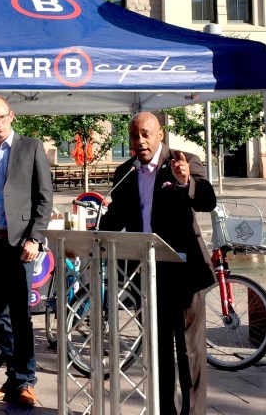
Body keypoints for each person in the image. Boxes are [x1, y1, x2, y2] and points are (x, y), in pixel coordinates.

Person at [100, 112, 216, 415]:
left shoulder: (184, 160)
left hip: (184, 273)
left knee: (189, 354)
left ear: (160, 135)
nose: (140, 141)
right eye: (134, 136)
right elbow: (117, 218)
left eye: (146, 134)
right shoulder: (126, 172)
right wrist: (93, 230)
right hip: (147, 275)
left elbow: (207, 199)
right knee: (159, 352)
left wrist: (185, 180)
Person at [0, 96, 53, 407]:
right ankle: (15, 377)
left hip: (20, 246)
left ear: (11, 116)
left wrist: (35, 238)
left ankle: (26, 379)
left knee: (20, 315)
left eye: (3, 116)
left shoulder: (31, 148)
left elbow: (44, 199)